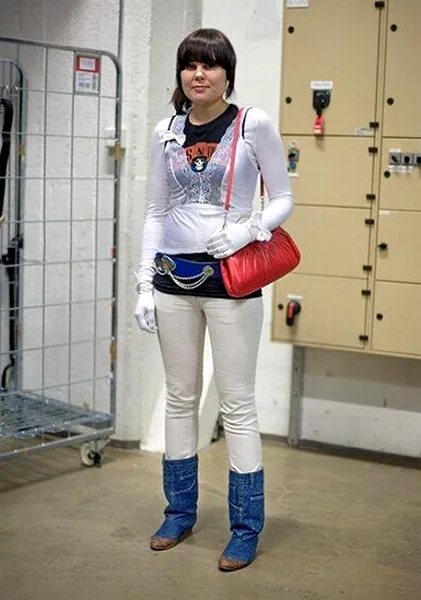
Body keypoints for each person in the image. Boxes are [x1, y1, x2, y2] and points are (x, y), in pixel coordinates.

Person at [134, 28, 293, 572]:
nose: (198, 74)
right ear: (181, 73)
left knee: (237, 404)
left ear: (227, 73)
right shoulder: (166, 132)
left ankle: (246, 528)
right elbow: (156, 211)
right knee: (180, 398)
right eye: (190, 65)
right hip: (172, 280)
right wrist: (142, 282)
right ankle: (179, 513)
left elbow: (284, 197)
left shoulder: (253, 124)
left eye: (210, 65)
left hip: (231, 281)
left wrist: (248, 231)